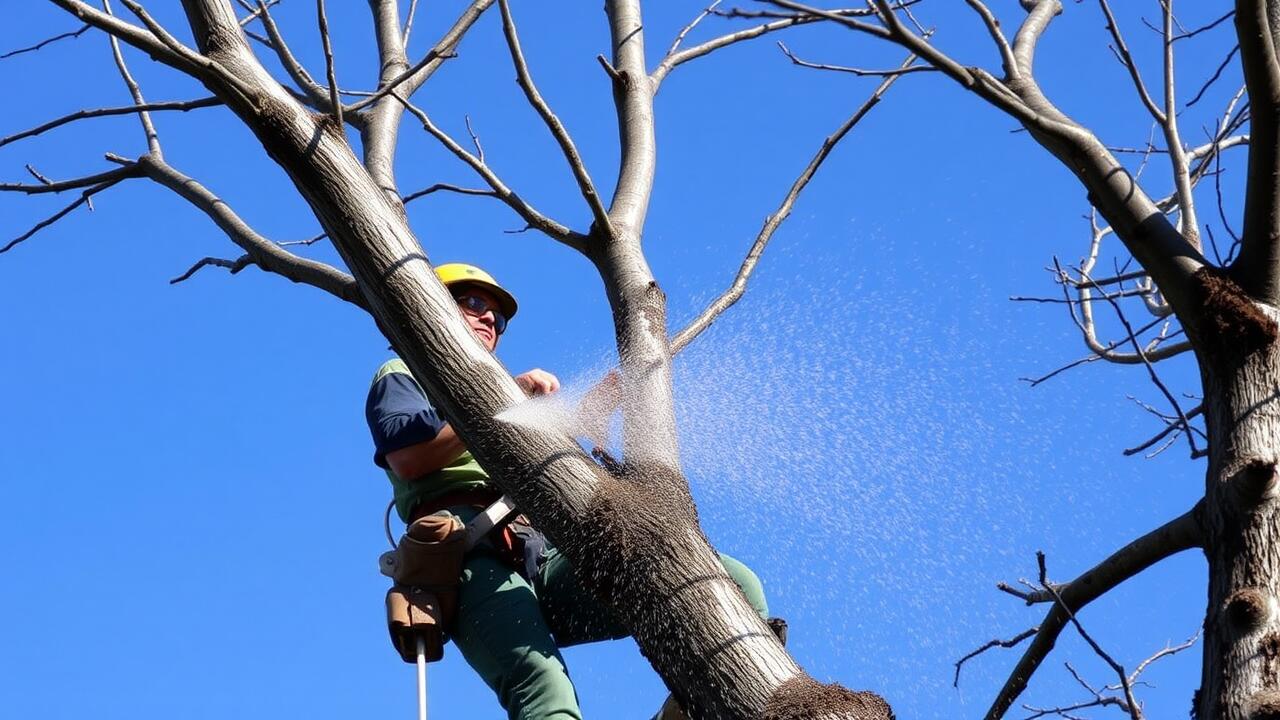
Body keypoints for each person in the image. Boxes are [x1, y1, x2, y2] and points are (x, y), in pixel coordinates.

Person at [365, 262, 771, 720]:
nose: (487, 320)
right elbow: (410, 455)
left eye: (496, 318)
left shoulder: (510, 397)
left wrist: (584, 416)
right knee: (544, 690)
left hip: (547, 552)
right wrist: (500, 401)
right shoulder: (402, 371)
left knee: (733, 585)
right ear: (433, 306)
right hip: (470, 557)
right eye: (474, 303)